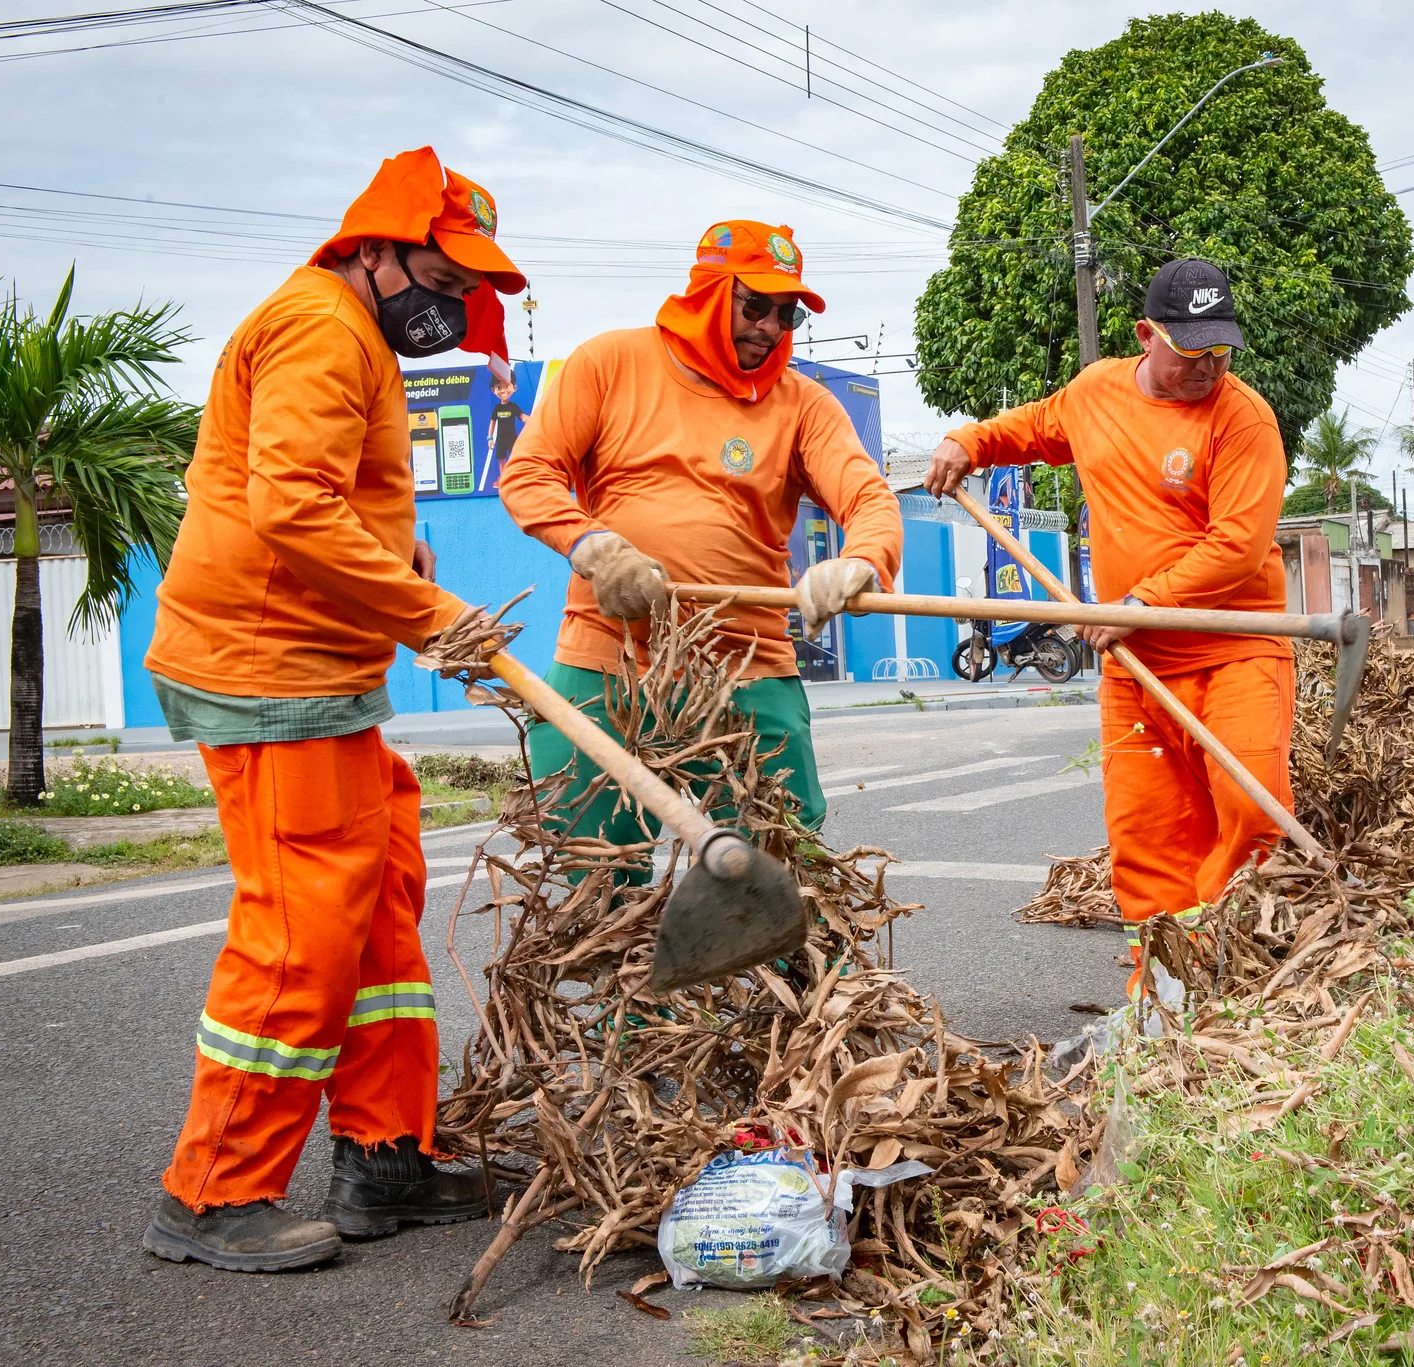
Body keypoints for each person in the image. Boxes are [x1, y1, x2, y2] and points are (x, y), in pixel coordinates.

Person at [140, 147, 525, 1272]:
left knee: (381, 911)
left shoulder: (352, 335)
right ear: (375, 246)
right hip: (266, 676)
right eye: (443, 282)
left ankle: (383, 1159)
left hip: (321, 673)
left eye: (467, 293)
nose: (451, 308)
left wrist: (401, 559)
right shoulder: (317, 326)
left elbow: (339, 498)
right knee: (301, 931)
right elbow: (293, 508)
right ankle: (211, 1193)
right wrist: (428, 614)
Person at [921, 259, 1291, 995]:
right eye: (1193, 354)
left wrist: (1142, 602)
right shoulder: (1096, 393)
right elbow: (1032, 427)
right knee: (1149, 840)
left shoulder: (1243, 418)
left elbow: (1238, 545)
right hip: (1132, 660)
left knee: (1252, 811)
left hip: (1235, 648)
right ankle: (1163, 996)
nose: (1210, 369)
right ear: (1145, 336)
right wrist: (969, 442)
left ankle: (1234, 970)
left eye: (1222, 351)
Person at [498, 221, 900, 865]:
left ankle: (798, 965)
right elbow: (528, 474)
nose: (771, 327)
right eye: (756, 305)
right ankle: (613, 966)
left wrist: (860, 560)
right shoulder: (607, 363)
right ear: (709, 294)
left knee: (784, 872)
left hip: (748, 666)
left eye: (787, 313)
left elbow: (868, 497)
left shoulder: (805, 404)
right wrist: (593, 547)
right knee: (590, 874)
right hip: (609, 662)